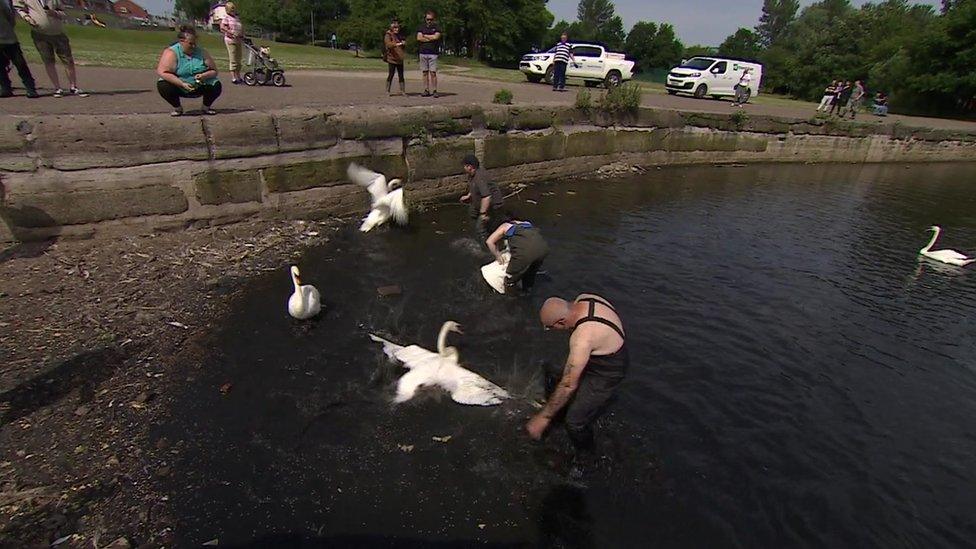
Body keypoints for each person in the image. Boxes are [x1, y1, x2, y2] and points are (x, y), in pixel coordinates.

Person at [528, 294, 629, 475]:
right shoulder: (585, 298)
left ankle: (586, 458)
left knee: (575, 421)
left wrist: (543, 417)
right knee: (554, 376)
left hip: (608, 371)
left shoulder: (582, 337)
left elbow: (568, 384)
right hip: (602, 350)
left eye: (549, 327)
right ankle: (558, 413)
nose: (549, 330)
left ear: (561, 321)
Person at [14, 0, 85, 97]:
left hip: (58, 33)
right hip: (40, 34)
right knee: (48, 61)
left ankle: (73, 87)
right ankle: (57, 88)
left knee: (68, 60)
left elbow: (64, 13)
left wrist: (54, 13)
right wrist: (26, 17)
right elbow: (19, 8)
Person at [155, 26, 221, 116]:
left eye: (195, 43)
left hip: (200, 84)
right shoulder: (171, 52)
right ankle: (177, 108)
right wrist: (181, 83)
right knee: (163, 84)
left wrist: (204, 75)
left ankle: (206, 107)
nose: (193, 46)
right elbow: (162, 72)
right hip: (179, 85)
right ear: (181, 41)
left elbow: (214, 71)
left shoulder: (202, 52)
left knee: (216, 85)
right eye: (190, 44)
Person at [485, 217, 549, 294]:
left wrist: (498, 256)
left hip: (525, 254)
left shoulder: (505, 226)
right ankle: (528, 291)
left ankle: (511, 297)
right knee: (530, 273)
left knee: (510, 276)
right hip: (543, 250)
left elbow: (489, 242)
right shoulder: (527, 224)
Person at [459, 154, 503, 241]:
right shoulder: (471, 174)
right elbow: (474, 187)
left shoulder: (479, 177)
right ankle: (480, 234)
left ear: (469, 166)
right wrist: (468, 196)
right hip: (479, 203)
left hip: (493, 206)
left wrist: (483, 214)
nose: (463, 168)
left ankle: (486, 247)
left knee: (481, 227)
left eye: (464, 166)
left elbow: (487, 197)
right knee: (472, 212)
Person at [0, 0, 38, 98]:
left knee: (20, 63)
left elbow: (10, 17)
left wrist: (8, 28)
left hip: (8, 37)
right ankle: (5, 88)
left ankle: (30, 88)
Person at [416, 10, 441, 98]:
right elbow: (419, 38)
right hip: (423, 52)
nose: (429, 21)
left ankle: (434, 90)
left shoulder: (437, 27)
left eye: (431, 19)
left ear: (433, 19)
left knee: (433, 72)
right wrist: (431, 37)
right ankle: (426, 90)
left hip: (433, 53)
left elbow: (436, 37)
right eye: (427, 19)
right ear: (425, 19)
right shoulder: (421, 27)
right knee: (424, 72)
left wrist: (425, 36)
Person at [219, 1, 243, 84]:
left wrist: (242, 34)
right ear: (228, 9)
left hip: (238, 40)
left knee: (239, 58)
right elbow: (222, 27)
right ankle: (233, 77)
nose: (233, 10)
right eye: (231, 8)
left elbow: (240, 27)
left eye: (234, 8)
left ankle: (239, 76)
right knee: (233, 58)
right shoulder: (226, 17)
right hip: (230, 40)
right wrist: (231, 32)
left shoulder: (236, 18)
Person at [383, 19, 405, 96]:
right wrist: (397, 44)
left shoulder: (400, 35)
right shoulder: (388, 35)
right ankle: (387, 90)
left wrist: (404, 44)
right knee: (391, 74)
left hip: (400, 58)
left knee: (401, 75)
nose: (396, 29)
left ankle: (402, 90)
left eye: (397, 27)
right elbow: (388, 44)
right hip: (392, 58)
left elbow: (404, 43)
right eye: (395, 27)